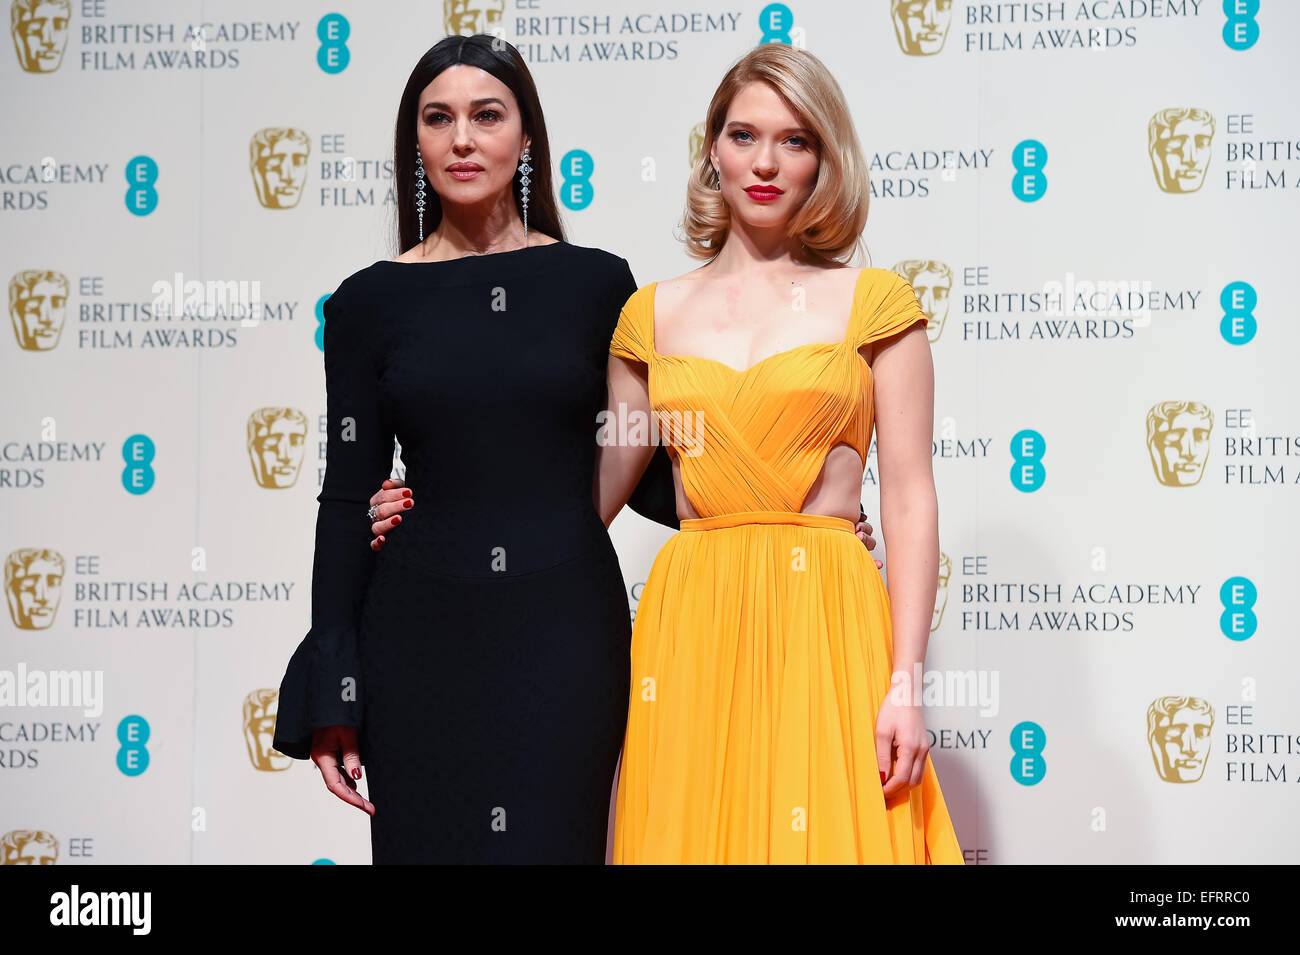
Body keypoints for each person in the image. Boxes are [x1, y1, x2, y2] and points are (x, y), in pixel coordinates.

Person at [272, 33, 880, 864]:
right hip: (417, 639)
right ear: (413, 142)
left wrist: (804, 510)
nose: (462, 139)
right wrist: (335, 688)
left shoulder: (597, 285)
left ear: (527, 140)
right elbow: (347, 497)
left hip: (564, 636)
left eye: (488, 116)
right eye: (437, 118)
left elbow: (649, 463)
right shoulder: (368, 303)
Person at [594, 44, 964, 863]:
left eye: (795, 140)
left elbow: (908, 498)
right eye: (743, 135)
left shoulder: (875, 303)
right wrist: (432, 499)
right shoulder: (648, 316)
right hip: (690, 619)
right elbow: (594, 494)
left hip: (828, 617)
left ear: (826, 160)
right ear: (711, 150)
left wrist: (906, 684)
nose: (765, 161)